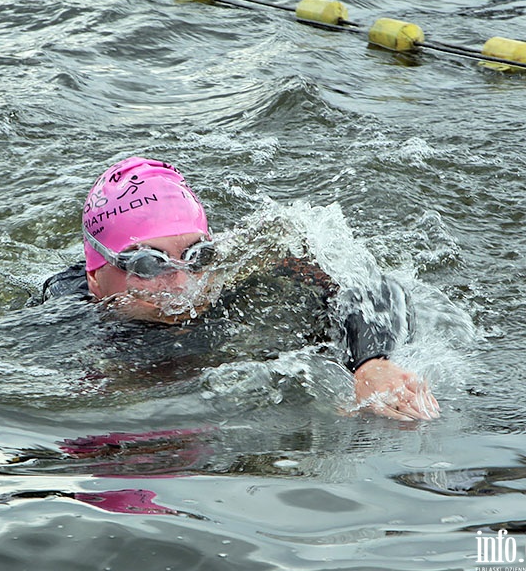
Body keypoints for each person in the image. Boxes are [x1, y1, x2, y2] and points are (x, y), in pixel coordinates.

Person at [39, 156, 440, 421]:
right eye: (148, 264)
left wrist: (371, 362)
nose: (180, 283)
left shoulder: (234, 272)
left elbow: (369, 282)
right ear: (95, 277)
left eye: (196, 257)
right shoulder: (64, 333)